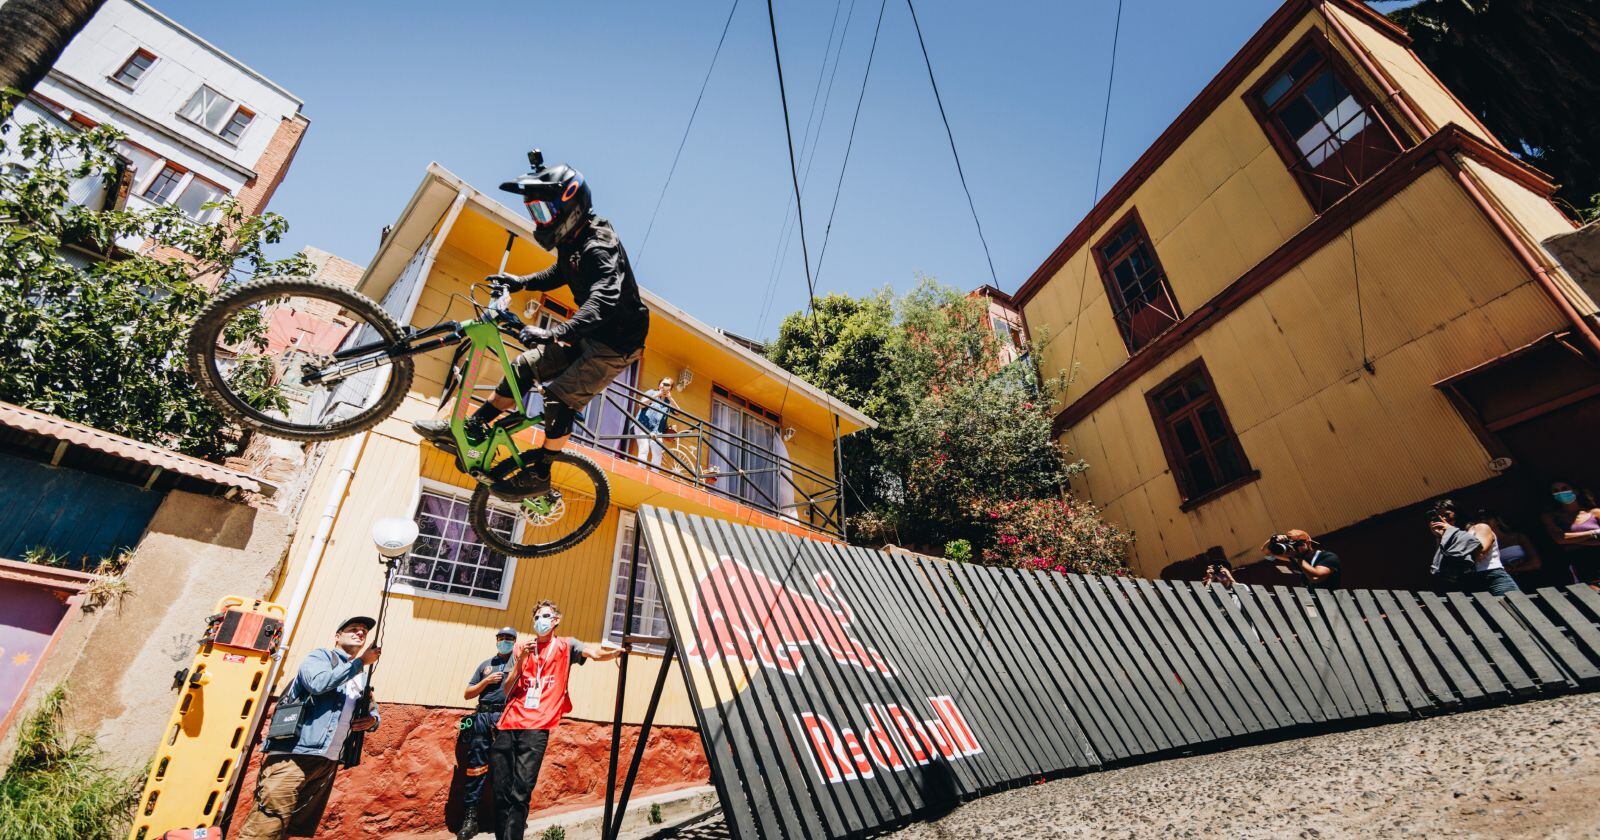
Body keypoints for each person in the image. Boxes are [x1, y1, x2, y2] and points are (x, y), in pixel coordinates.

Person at [413, 152, 650, 495]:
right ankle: (473, 427)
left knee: (559, 397)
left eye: (543, 211)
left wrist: (555, 332)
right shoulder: (573, 241)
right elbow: (561, 272)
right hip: (588, 333)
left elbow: (604, 299)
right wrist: (521, 282)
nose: (539, 221)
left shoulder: (600, 245)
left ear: (571, 206)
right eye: (533, 212)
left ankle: (540, 472)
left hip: (616, 341)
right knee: (524, 367)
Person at [235, 616, 381, 840]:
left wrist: (372, 721)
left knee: (292, 827)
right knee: (265, 827)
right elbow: (318, 683)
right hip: (293, 756)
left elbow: (372, 711)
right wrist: (360, 662)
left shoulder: (360, 677)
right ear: (337, 636)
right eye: (353, 629)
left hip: (327, 761)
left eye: (363, 631)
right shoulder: (320, 657)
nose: (360, 633)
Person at [491, 600, 622, 840]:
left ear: (556, 620)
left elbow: (592, 652)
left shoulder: (566, 646)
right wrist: (521, 660)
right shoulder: (522, 647)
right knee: (500, 793)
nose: (541, 620)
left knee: (520, 793)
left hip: (537, 727)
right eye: (538, 616)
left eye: (547, 616)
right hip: (509, 723)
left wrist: (610, 653)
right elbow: (507, 688)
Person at [455, 627, 518, 840]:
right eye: (502, 638)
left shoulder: (520, 663)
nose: (505, 642)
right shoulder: (485, 665)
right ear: (497, 640)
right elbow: (467, 694)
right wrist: (486, 682)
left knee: (507, 768)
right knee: (475, 767)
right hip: (482, 719)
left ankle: (506, 819)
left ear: (515, 641)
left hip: (507, 718)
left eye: (509, 639)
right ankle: (470, 819)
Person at [1428, 500, 1518, 595]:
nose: (1443, 519)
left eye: (1447, 514)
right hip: (1469, 582)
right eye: (1439, 516)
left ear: (1458, 513)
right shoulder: (1449, 536)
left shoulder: (1480, 528)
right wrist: (1439, 537)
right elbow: (1441, 562)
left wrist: (1450, 530)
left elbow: (1480, 552)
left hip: (1492, 577)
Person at [1541, 480, 1600, 584]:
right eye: (1556, 491)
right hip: (1579, 562)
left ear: (1575, 491)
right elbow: (1560, 539)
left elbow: (1565, 540)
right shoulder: (1551, 516)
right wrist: (1594, 533)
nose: (1561, 493)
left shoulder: (1595, 512)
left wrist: (1572, 541)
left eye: (1564, 489)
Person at [1262, 529, 1340, 588]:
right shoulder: (1296, 557)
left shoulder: (1328, 557)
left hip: (1330, 602)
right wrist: (1274, 539)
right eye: (1290, 543)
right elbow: (1265, 551)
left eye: (1296, 544)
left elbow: (1315, 577)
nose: (1293, 547)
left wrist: (1297, 557)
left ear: (1308, 543)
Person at [632, 375, 676, 467]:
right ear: (659, 384)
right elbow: (641, 404)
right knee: (644, 448)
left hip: (657, 431)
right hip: (642, 425)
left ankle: (654, 474)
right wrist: (657, 395)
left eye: (667, 384)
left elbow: (677, 412)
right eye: (663, 383)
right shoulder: (652, 392)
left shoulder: (668, 401)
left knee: (657, 453)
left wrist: (671, 398)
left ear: (670, 388)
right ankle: (641, 471)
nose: (664, 385)